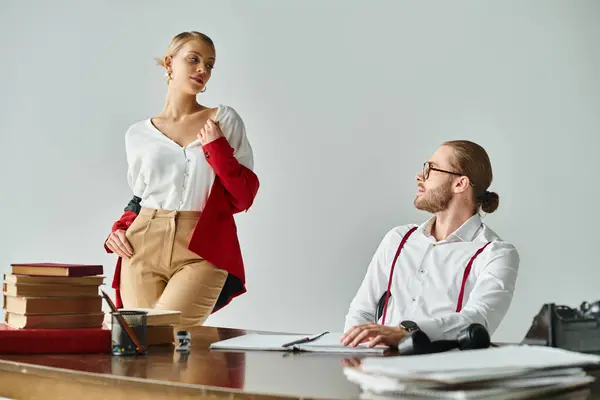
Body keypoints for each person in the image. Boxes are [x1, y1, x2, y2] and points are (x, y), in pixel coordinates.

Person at [103, 31, 259, 328]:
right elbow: (141, 196)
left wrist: (216, 148)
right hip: (142, 244)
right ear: (169, 63)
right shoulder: (137, 134)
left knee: (166, 334)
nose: (203, 69)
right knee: (139, 349)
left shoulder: (223, 120)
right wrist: (119, 228)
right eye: (194, 59)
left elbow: (244, 196)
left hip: (202, 246)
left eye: (210, 65)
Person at [341, 140, 519, 348]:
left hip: (446, 375)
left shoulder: (496, 253)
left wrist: (405, 333)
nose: (419, 176)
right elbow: (361, 311)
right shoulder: (398, 239)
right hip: (380, 371)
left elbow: (478, 319)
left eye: (430, 169)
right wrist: (356, 351)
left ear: (460, 184)